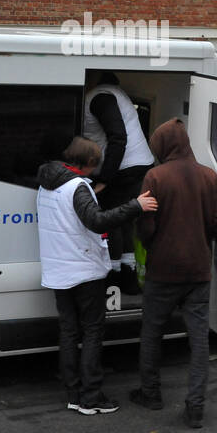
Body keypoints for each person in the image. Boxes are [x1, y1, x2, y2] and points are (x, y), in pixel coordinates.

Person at [37, 136, 157, 415]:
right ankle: (91, 396)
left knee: (68, 331)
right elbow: (97, 221)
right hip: (83, 269)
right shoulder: (76, 187)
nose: (96, 171)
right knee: (92, 331)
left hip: (57, 269)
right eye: (95, 166)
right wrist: (135, 206)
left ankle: (73, 393)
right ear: (88, 163)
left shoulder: (46, 185)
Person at [130, 119, 217, 429]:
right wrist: (208, 241)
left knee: (152, 333)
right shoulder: (210, 177)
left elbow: (146, 227)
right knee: (199, 342)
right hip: (198, 271)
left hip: (163, 271)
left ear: (162, 147)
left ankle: (151, 394)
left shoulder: (155, 177)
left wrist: (151, 243)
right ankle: (195, 408)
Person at [82, 72, 155, 293]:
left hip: (122, 169)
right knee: (128, 223)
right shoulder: (117, 93)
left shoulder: (99, 98)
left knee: (113, 222)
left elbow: (118, 138)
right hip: (141, 164)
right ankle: (130, 279)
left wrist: (105, 178)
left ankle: (112, 279)